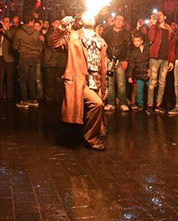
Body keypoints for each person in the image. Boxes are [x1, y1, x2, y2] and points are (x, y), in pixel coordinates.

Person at [62, 14, 107, 151]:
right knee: (97, 104)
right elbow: (53, 42)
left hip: (96, 80)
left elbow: (102, 63)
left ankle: (85, 134)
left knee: (92, 108)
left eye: (91, 15)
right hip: (79, 80)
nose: (89, 16)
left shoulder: (100, 40)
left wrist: (105, 86)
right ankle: (91, 139)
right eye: (86, 15)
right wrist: (62, 28)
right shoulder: (73, 35)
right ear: (80, 21)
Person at [103, 14, 133, 112]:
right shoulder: (108, 32)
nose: (119, 21)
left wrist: (126, 60)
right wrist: (105, 57)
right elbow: (104, 44)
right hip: (110, 60)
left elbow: (129, 48)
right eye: (117, 19)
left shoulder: (126, 33)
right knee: (110, 83)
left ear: (123, 22)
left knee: (121, 83)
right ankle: (110, 102)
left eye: (121, 20)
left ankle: (122, 102)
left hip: (121, 60)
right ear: (114, 20)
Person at [13, 12, 43, 108]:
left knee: (22, 79)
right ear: (32, 21)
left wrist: (21, 49)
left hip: (24, 57)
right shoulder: (36, 32)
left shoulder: (19, 32)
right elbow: (40, 46)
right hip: (34, 57)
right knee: (32, 78)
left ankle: (24, 100)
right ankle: (33, 99)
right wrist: (36, 52)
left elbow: (14, 46)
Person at [146, 11, 173, 115]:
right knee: (153, 82)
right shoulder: (155, 29)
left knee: (162, 82)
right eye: (157, 15)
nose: (158, 16)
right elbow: (151, 39)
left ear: (165, 17)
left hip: (165, 59)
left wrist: (171, 61)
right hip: (155, 58)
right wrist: (153, 25)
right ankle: (150, 105)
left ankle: (158, 104)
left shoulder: (169, 31)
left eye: (160, 14)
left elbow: (171, 47)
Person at [42, 19, 68, 103]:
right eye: (56, 22)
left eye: (59, 23)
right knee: (49, 83)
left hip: (60, 62)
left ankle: (58, 102)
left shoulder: (65, 34)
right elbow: (52, 43)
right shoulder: (49, 34)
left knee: (59, 84)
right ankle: (49, 102)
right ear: (52, 24)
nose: (58, 24)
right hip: (50, 62)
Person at [0, 16, 16, 100]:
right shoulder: (0, 32)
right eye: (4, 21)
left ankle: (9, 95)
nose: (4, 23)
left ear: (10, 24)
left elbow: (11, 38)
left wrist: (5, 30)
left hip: (8, 58)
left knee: (9, 78)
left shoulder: (12, 31)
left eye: (6, 22)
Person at [127, 34, 150, 110]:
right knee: (139, 90)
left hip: (147, 73)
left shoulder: (147, 50)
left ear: (142, 41)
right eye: (134, 41)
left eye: (138, 41)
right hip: (139, 74)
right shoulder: (133, 53)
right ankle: (140, 104)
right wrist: (130, 76)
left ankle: (151, 103)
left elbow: (151, 61)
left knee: (151, 89)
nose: (136, 43)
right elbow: (131, 65)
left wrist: (151, 70)